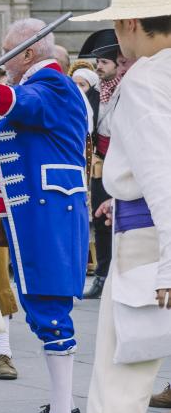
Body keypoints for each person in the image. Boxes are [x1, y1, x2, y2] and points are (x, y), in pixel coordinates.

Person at [0, 18, 91, 413]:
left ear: (28, 53)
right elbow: (32, 147)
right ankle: (60, 405)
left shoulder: (51, 84)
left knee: (50, 308)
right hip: (36, 211)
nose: (3, 60)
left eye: (7, 51)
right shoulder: (42, 86)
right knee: (40, 305)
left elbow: (18, 103)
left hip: (48, 212)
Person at [74, 0, 171, 413]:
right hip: (150, 232)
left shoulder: (146, 79)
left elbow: (164, 174)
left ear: (131, 23)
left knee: (118, 392)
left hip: (150, 247)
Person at [83, 29, 125, 300]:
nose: (99, 68)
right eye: (97, 63)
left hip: (123, 165)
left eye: (104, 63)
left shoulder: (128, 88)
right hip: (101, 165)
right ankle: (101, 275)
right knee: (100, 222)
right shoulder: (95, 94)